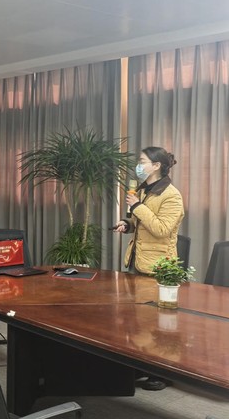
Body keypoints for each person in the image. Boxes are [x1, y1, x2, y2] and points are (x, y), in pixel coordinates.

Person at [113, 146, 184, 391]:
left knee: (160, 323)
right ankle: (144, 366)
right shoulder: (145, 190)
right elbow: (140, 222)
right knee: (139, 320)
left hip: (159, 266)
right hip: (138, 260)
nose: (139, 165)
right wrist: (126, 224)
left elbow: (162, 229)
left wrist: (137, 207)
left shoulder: (171, 195)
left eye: (142, 161)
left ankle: (162, 373)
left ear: (156, 165)